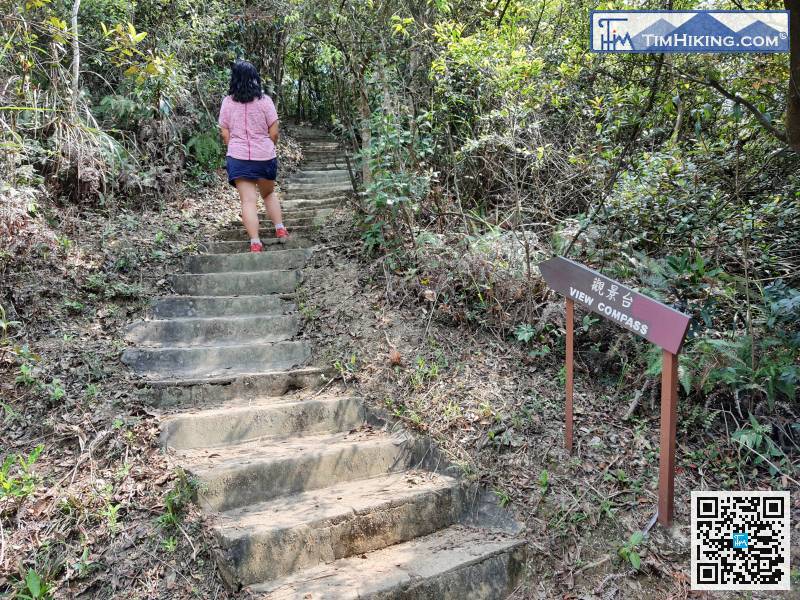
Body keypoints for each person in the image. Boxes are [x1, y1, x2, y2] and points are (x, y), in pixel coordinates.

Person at [218, 60, 288, 252]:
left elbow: (225, 133)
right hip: (264, 156)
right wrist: (268, 146)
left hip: (238, 157)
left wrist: (234, 148)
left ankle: (255, 242)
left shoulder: (227, 102)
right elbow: (274, 132)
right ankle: (280, 229)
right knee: (269, 193)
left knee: (248, 201)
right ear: (255, 78)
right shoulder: (265, 101)